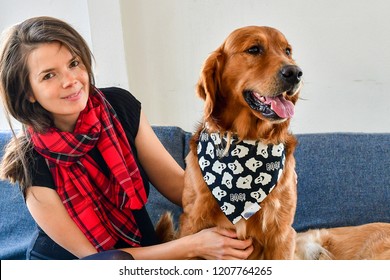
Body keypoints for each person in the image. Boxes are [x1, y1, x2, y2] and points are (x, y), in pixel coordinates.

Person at [0, 16, 253, 260]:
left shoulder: (119, 106)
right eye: (49, 75)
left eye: (74, 63)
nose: (71, 80)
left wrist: (256, 194)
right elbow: (98, 260)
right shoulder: (30, 162)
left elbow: (183, 190)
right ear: (28, 92)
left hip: (146, 251)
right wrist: (193, 246)